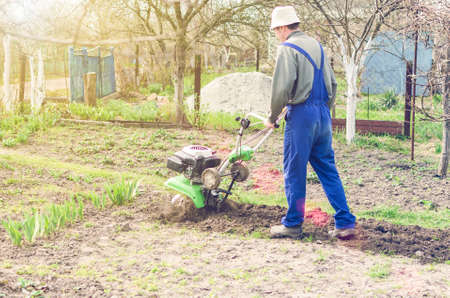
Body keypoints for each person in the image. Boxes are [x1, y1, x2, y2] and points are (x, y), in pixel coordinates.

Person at [264, 6, 356, 239]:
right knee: (327, 169)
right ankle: (345, 222)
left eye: (276, 30)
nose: (276, 34)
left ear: (284, 28)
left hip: (302, 116)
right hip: (323, 113)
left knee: (294, 170)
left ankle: (293, 223)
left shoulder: (287, 49)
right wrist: (323, 109)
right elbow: (333, 85)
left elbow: (281, 88)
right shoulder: (318, 47)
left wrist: (273, 116)